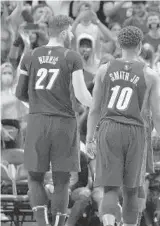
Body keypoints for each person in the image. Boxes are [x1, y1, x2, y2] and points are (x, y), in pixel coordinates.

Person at [85, 26, 160, 226]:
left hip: (108, 128)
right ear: (140, 46)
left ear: (118, 45)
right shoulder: (150, 74)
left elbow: (94, 109)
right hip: (135, 131)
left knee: (110, 189)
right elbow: (158, 115)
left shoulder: (104, 70)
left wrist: (90, 138)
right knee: (132, 189)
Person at [14, 14, 93, 226]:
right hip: (64, 123)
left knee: (35, 177)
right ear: (65, 32)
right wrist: (98, 104)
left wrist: (39, 105)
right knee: (62, 180)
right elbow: (81, 94)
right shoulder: (72, 56)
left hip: (38, 121)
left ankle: (41, 223)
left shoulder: (29, 56)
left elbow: (19, 92)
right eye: (72, 31)